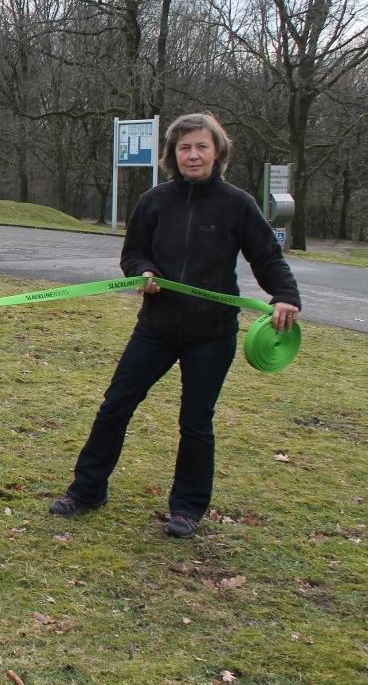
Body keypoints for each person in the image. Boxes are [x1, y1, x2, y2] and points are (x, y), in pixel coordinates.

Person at [49, 113, 300, 539]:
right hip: (157, 328)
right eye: (184, 147)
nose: (193, 154)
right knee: (115, 406)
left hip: (212, 334)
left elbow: (267, 257)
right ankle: (87, 490)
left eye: (201, 146)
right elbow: (133, 253)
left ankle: (187, 508)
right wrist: (143, 270)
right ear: (172, 155)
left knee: (195, 422)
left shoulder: (237, 203)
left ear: (217, 151)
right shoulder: (154, 201)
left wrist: (286, 295)